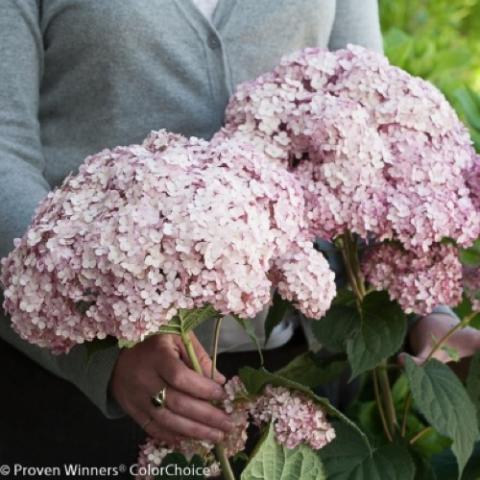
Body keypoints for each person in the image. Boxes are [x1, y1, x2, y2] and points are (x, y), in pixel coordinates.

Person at [0, 0, 472, 469]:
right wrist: (102, 353)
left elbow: (371, 119)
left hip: (300, 378)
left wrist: (423, 313)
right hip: (93, 390)